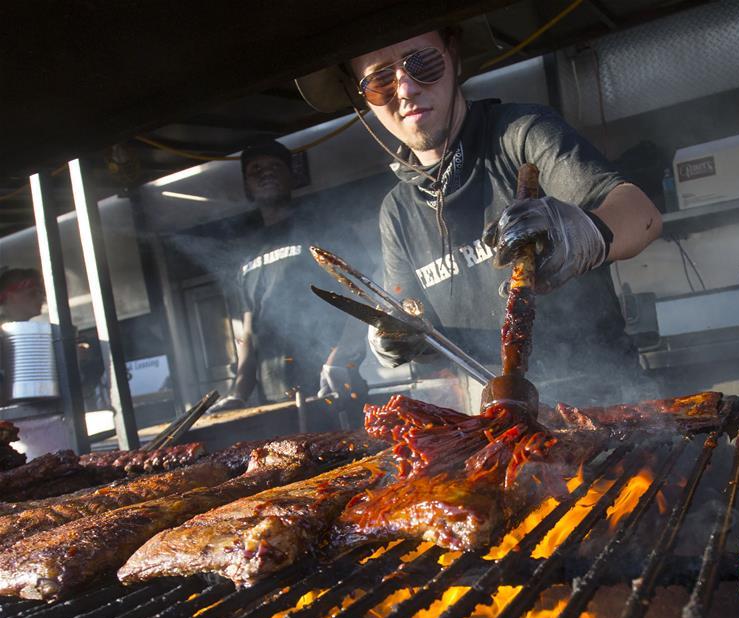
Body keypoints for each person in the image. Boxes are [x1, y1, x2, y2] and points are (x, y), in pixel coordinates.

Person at [296, 26, 662, 406]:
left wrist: (582, 233)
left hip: (607, 406)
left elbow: (643, 216)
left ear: (453, 56)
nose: (405, 90)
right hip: (495, 421)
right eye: (380, 80)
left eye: (421, 62)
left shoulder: (522, 135)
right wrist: (399, 338)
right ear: (363, 98)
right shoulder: (397, 211)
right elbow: (424, 329)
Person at [208, 140, 367, 416]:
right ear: (246, 186)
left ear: (291, 177)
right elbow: (247, 331)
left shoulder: (322, 227)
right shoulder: (246, 252)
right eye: (256, 169)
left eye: (274, 166)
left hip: (332, 387)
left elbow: (363, 295)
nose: (265, 173)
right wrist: (239, 392)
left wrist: (340, 357)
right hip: (274, 402)